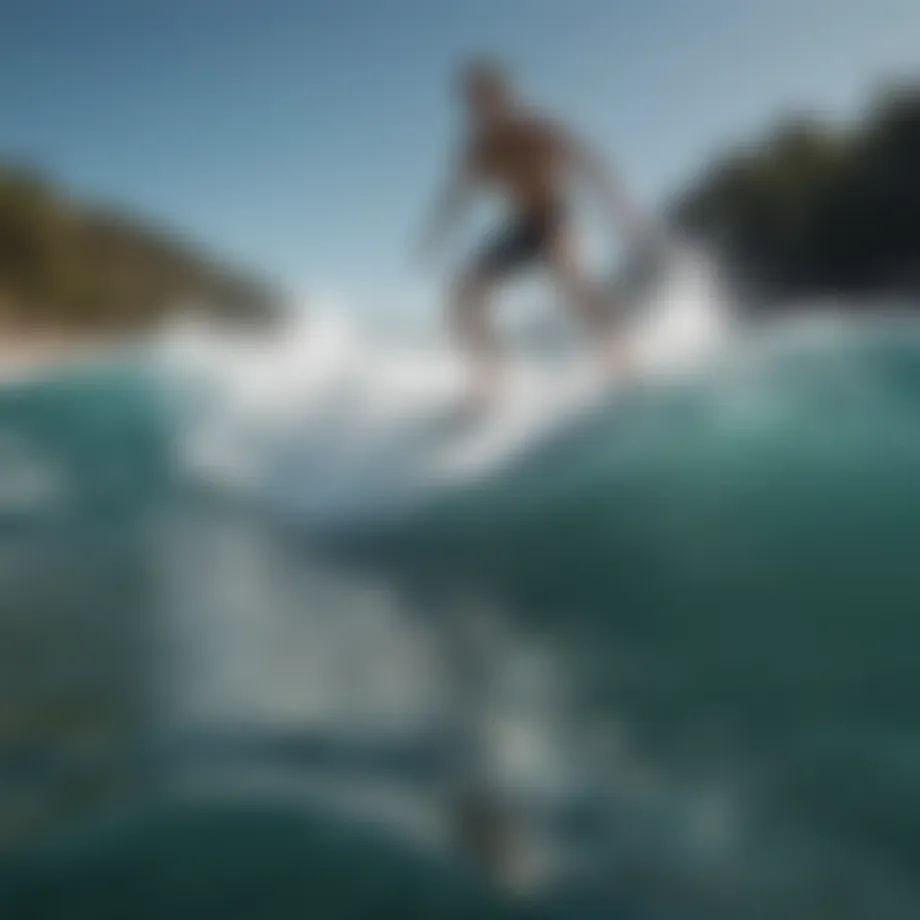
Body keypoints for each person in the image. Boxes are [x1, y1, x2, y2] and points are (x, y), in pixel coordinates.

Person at [421, 60, 661, 403]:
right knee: (463, 297)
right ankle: (491, 385)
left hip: (556, 216)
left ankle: (621, 358)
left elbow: (593, 164)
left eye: (486, 98)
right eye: (473, 102)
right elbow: (455, 196)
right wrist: (435, 233)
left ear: (504, 96)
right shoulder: (478, 151)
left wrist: (622, 213)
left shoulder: (538, 130)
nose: (480, 109)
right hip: (521, 228)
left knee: (569, 276)